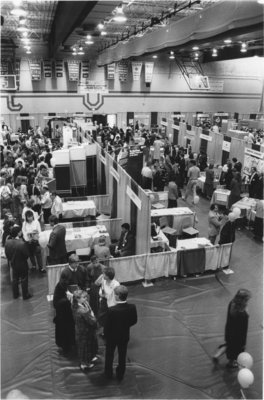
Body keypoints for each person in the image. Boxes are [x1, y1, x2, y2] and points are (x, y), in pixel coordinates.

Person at [104, 285, 137, 380]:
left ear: (117, 296)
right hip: (124, 336)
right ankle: (120, 374)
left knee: (109, 355)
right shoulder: (132, 307)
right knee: (122, 355)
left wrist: (106, 336)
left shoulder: (111, 310)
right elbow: (134, 321)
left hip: (112, 337)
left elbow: (107, 326)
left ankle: (108, 373)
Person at [213, 289, 251, 368]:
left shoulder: (232, 303)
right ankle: (231, 363)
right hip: (237, 336)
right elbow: (244, 321)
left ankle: (217, 355)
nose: (247, 302)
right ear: (242, 300)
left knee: (228, 344)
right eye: (246, 300)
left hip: (229, 331)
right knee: (235, 349)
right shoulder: (242, 312)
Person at [72, 290, 99, 371]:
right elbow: (93, 321)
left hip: (82, 329)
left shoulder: (76, 305)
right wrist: (92, 314)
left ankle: (90, 358)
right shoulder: (82, 311)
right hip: (85, 331)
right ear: (77, 299)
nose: (86, 299)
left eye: (85, 297)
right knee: (85, 347)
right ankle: (85, 364)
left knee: (89, 345)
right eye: (83, 297)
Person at [5, 226, 32, 300]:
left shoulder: (8, 242)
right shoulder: (22, 243)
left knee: (15, 279)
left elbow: (7, 254)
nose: (21, 232)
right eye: (20, 231)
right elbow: (27, 255)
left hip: (13, 263)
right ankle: (25, 295)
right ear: (18, 233)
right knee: (24, 279)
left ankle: (15, 295)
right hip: (22, 263)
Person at [53, 271, 75, 354]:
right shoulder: (61, 286)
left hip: (63, 313)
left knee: (65, 330)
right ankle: (66, 347)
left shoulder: (61, 285)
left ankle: (67, 345)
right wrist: (68, 300)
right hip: (63, 314)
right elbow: (58, 302)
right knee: (65, 331)